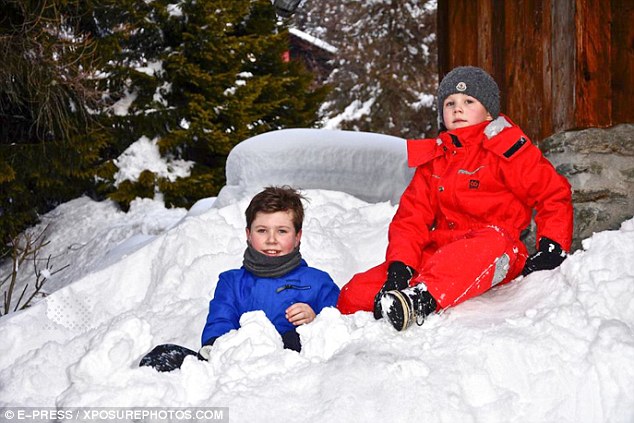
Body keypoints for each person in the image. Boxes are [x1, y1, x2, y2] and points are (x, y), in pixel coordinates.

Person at [336, 66, 573, 332]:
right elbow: (410, 219)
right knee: (354, 293)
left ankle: (422, 299)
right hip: (441, 252)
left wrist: (551, 246)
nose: (457, 109)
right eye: (450, 103)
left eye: (468, 101)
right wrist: (399, 269)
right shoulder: (435, 161)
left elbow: (553, 193)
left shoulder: (507, 148)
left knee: (489, 243)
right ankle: (392, 304)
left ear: (489, 112)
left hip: (495, 247)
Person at [140, 186, 340, 371]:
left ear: (297, 236)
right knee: (161, 355)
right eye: (262, 230)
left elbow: (342, 328)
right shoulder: (232, 282)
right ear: (248, 234)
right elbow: (221, 321)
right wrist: (217, 346)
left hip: (293, 369)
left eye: (282, 231)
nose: (271, 239)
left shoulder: (318, 282)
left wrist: (316, 322)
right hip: (240, 364)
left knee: (293, 339)